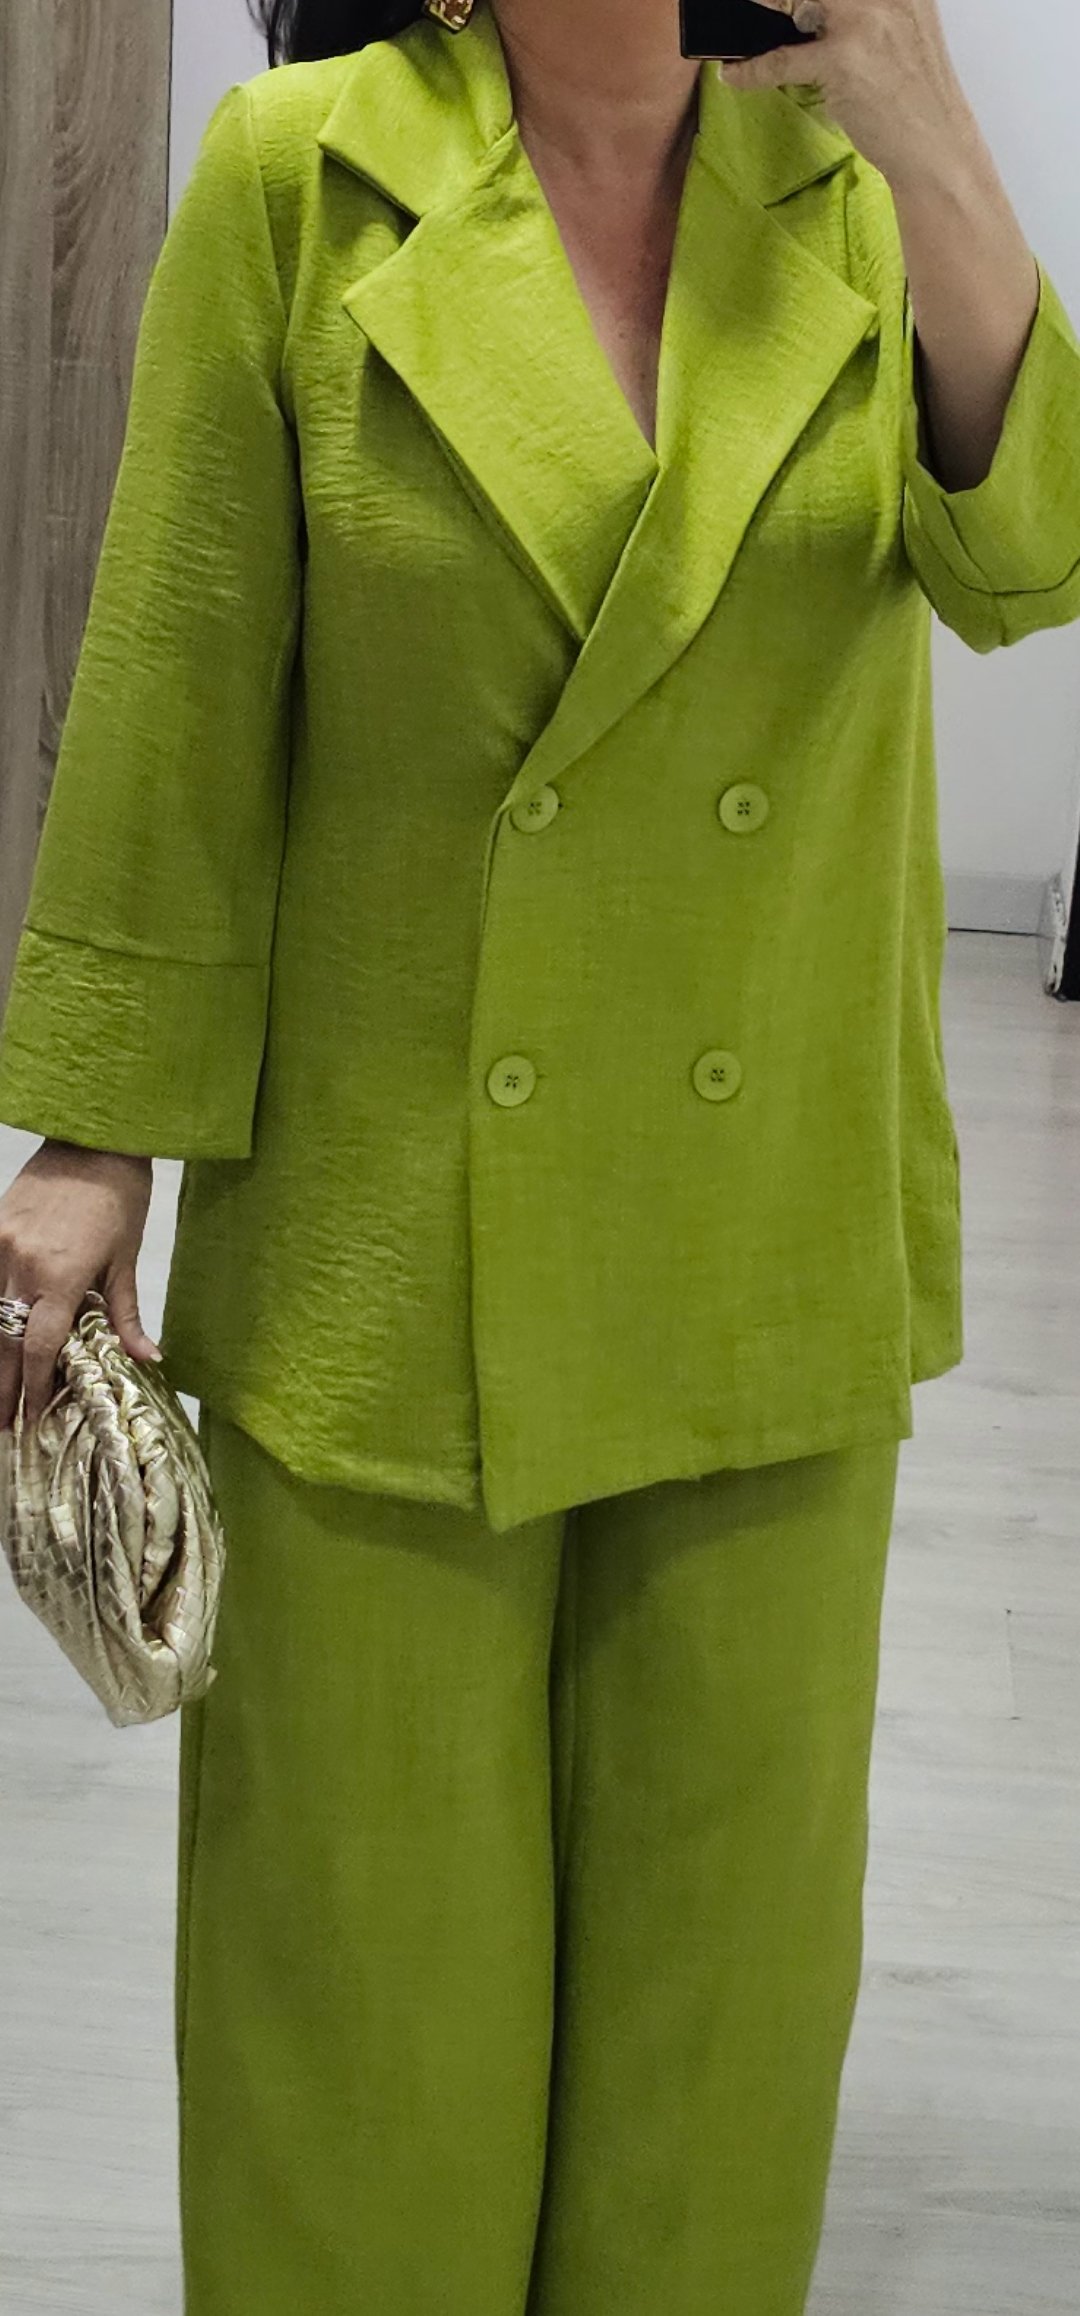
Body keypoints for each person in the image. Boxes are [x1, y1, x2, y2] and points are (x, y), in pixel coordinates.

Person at [2, 1, 1079, 2308]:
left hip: (767, 1247)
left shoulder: (856, 182)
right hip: (387, 1250)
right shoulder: (305, 171)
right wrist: (95, 1142)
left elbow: (1033, 561)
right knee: (357, 2022)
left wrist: (932, 131)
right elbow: (182, 686)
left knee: (722, 2029)